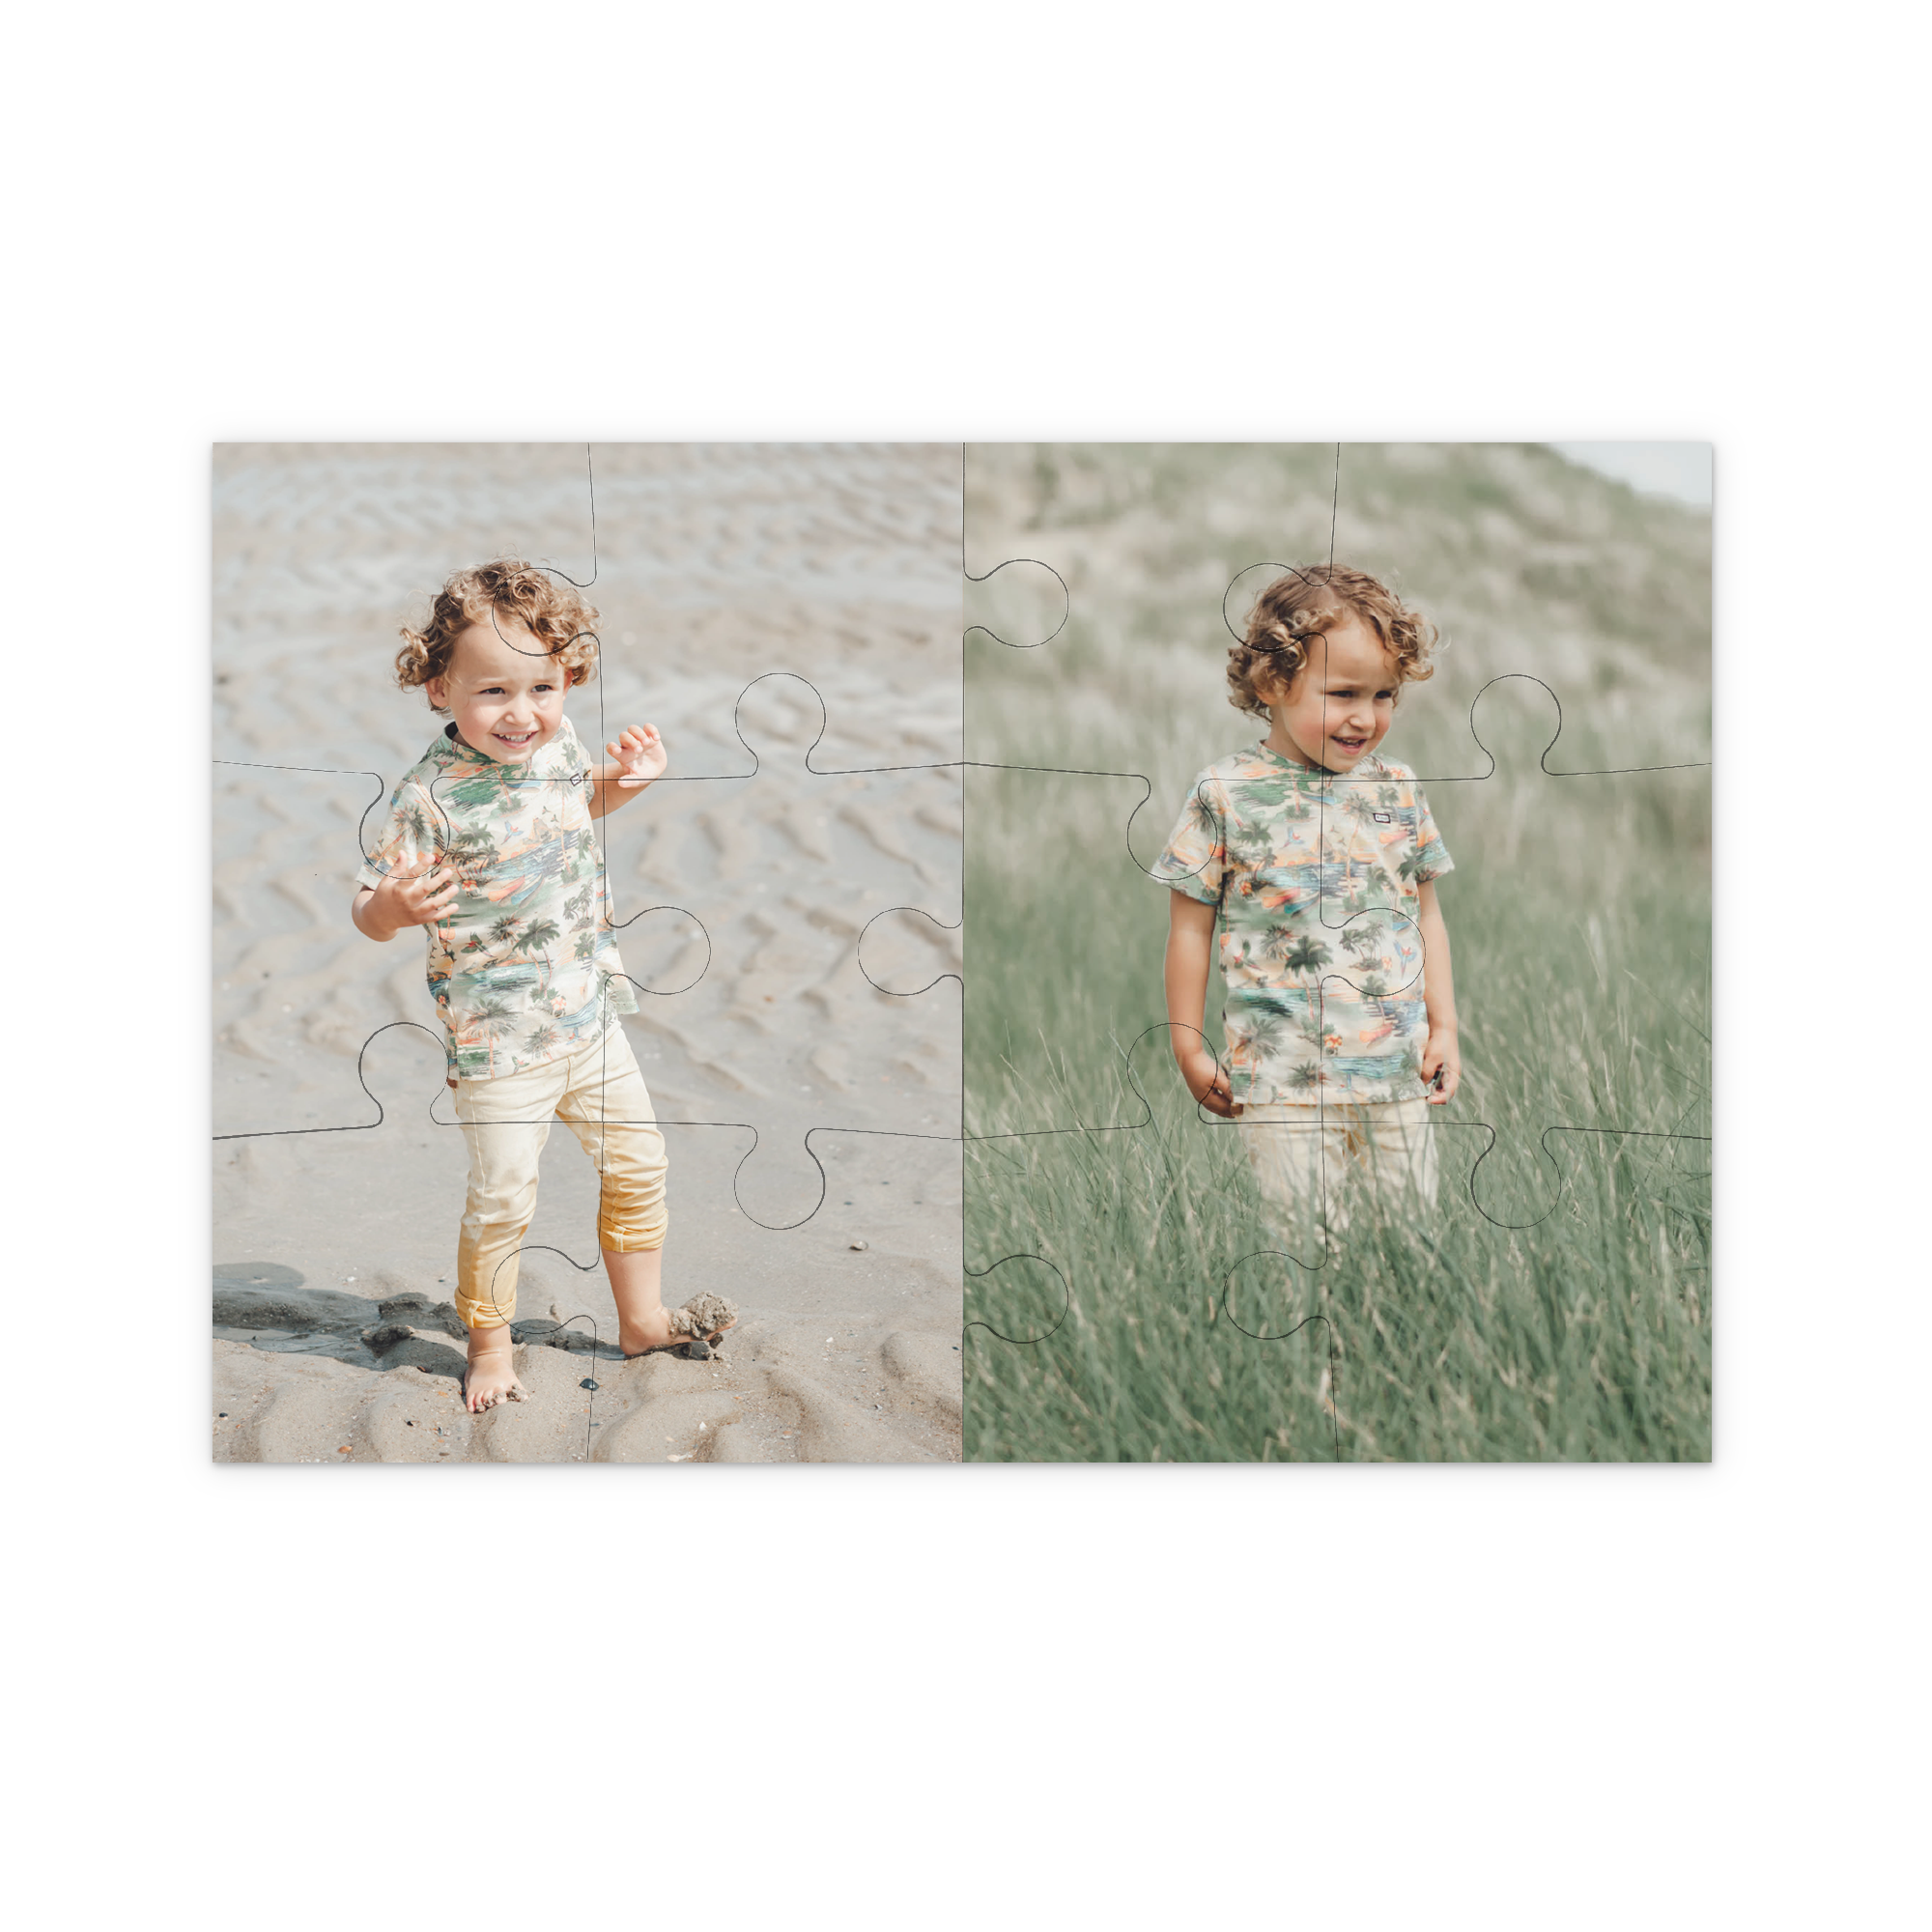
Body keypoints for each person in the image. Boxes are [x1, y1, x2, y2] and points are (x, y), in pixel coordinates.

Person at [351, 560, 734, 1412]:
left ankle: (641, 1319)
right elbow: (368, 913)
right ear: (440, 688)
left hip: (591, 1017)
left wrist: (624, 784)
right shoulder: (428, 799)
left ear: (568, 680)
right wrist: (396, 905)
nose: (521, 713)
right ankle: (489, 1349)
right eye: (493, 691)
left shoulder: (556, 745)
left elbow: (570, 807)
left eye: (542, 687)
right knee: (502, 1200)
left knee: (639, 1165)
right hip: (499, 1045)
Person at [1152, 564, 1461, 1257]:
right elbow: (1189, 928)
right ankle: (1314, 1368)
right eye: (1343, 692)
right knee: (1308, 1251)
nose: (1366, 716)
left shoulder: (1399, 790)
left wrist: (1445, 1025)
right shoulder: (1226, 791)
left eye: (1384, 695)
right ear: (1273, 684)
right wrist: (1186, 1043)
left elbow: (1427, 915)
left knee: (1409, 1245)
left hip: (1394, 1070)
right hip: (1283, 1077)